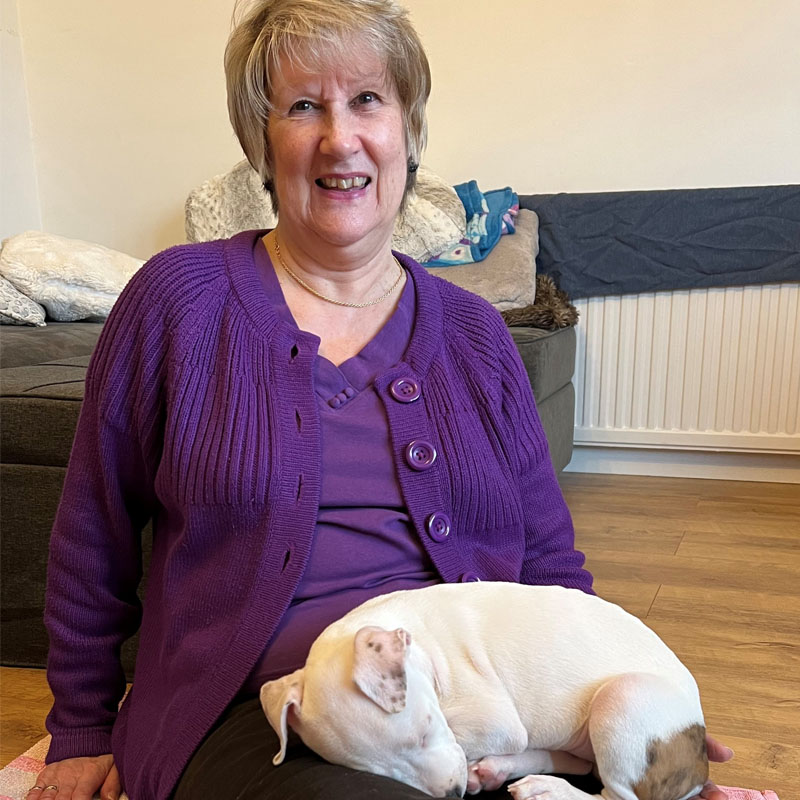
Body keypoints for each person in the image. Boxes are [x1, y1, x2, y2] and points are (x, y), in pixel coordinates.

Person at [29, 1, 732, 799]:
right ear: (261, 141)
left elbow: (547, 567)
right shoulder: (178, 303)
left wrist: (645, 748)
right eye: (302, 107)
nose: (340, 138)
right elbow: (93, 538)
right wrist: (81, 729)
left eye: (368, 100)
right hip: (268, 723)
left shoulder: (475, 334)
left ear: (409, 130)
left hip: (484, 719)